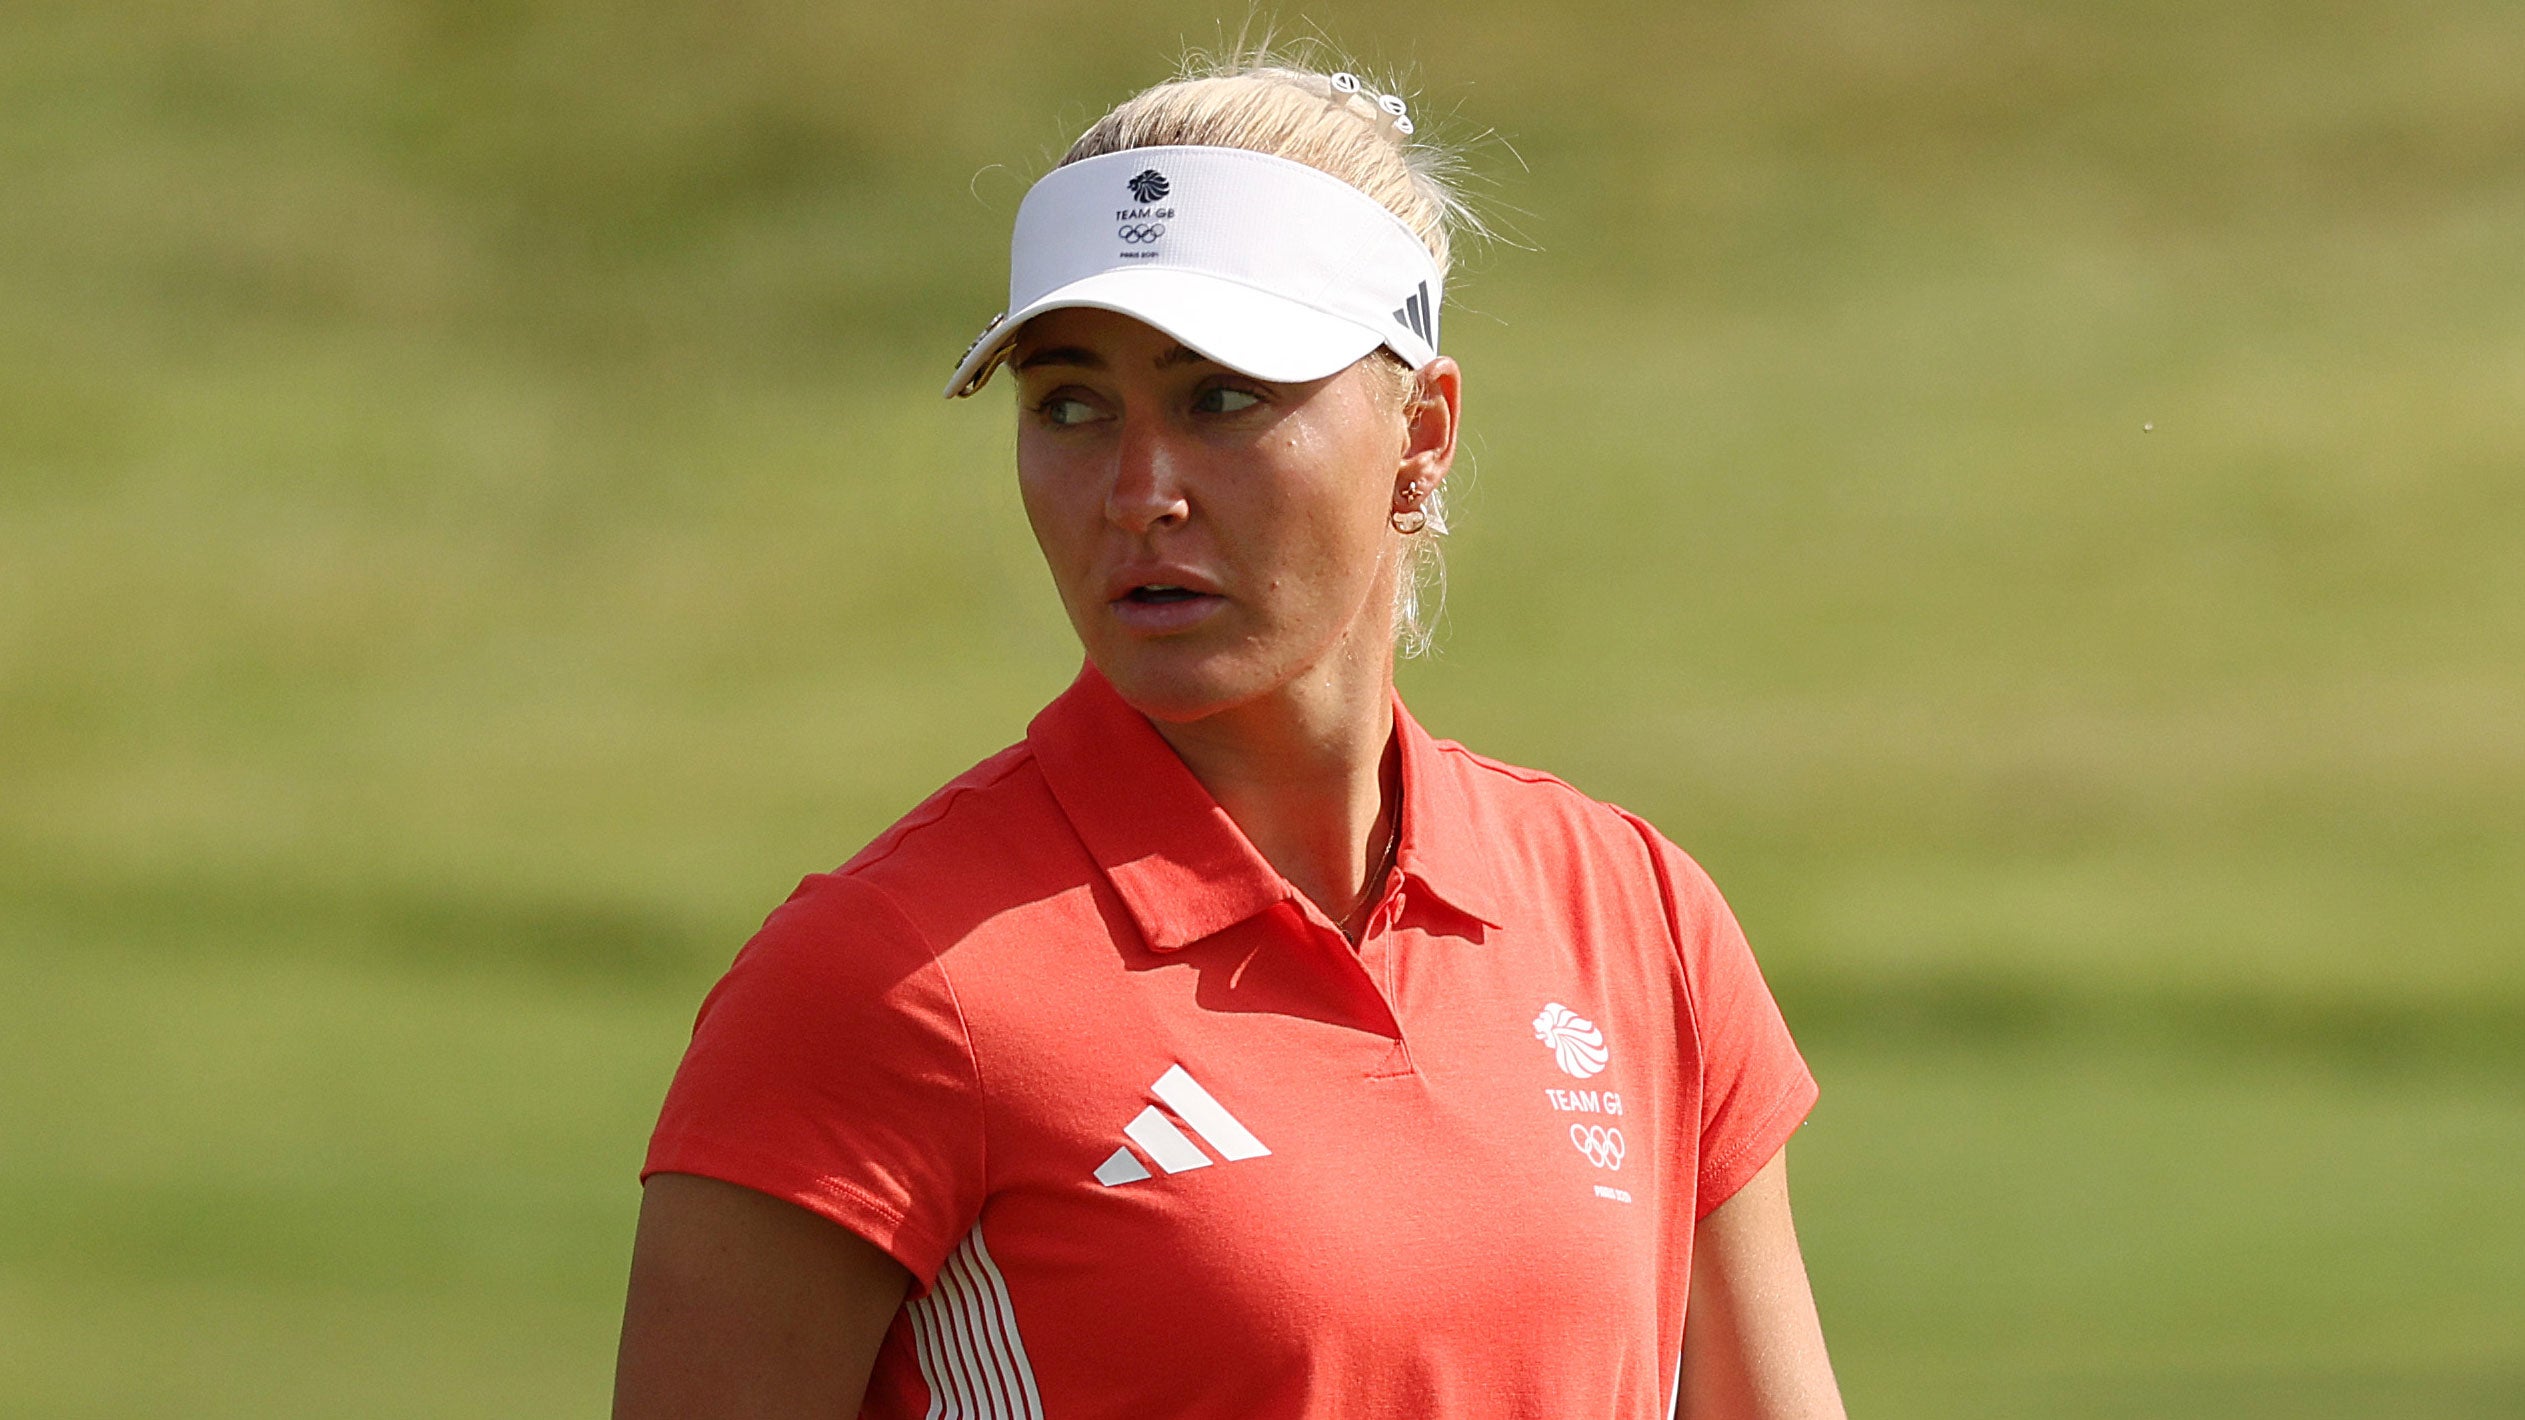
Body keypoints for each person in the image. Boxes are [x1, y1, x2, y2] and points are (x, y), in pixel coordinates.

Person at [615, 54, 1845, 1420]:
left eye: (1223, 399)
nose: (1138, 493)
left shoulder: (1636, 918)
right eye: (1070, 405)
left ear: (1420, 434)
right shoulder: (885, 982)